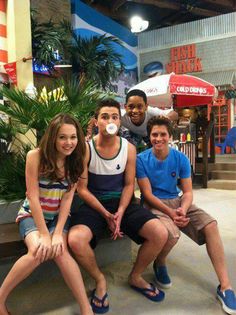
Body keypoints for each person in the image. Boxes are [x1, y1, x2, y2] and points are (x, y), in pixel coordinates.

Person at [68, 99, 169, 314]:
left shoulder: (129, 149)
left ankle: (136, 276)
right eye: (105, 117)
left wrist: (120, 212)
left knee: (160, 233)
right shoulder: (86, 149)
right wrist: (106, 214)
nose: (110, 121)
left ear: (119, 121)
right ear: (96, 122)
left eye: (114, 117)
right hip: (94, 205)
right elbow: (82, 189)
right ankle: (100, 279)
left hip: (122, 203)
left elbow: (127, 185)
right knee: (75, 239)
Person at [136, 115, 236, 315]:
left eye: (163, 134)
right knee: (172, 234)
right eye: (154, 134)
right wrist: (171, 212)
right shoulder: (141, 159)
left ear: (170, 136)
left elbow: (188, 192)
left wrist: (183, 207)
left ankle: (225, 287)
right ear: (149, 136)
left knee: (211, 225)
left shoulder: (180, 158)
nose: (158, 138)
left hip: (178, 201)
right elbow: (146, 194)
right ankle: (160, 262)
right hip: (156, 204)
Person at [0, 114, 93, 315]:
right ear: (52, 137)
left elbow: (68, 199)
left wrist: (58, 233)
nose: (69, 143)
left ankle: (86, 309)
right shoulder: (35, 156)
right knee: (37, 251)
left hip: (59, 217)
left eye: (73, 137)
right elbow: (32, 197)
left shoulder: (76, 159)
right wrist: (44, 234)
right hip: (32, 215)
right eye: (62, 137)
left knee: (60, 251)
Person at [86, 89, 178, 147]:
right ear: (125, 107)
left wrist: (166, 117)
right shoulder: (120, 115)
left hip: (148, 135)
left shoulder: (152, 112)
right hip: (133, 135)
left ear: (146, 106)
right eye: (131, 107)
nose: (135, 111)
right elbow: (93, 119)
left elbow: (174, 114)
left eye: (139, 107)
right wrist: (89, 135)